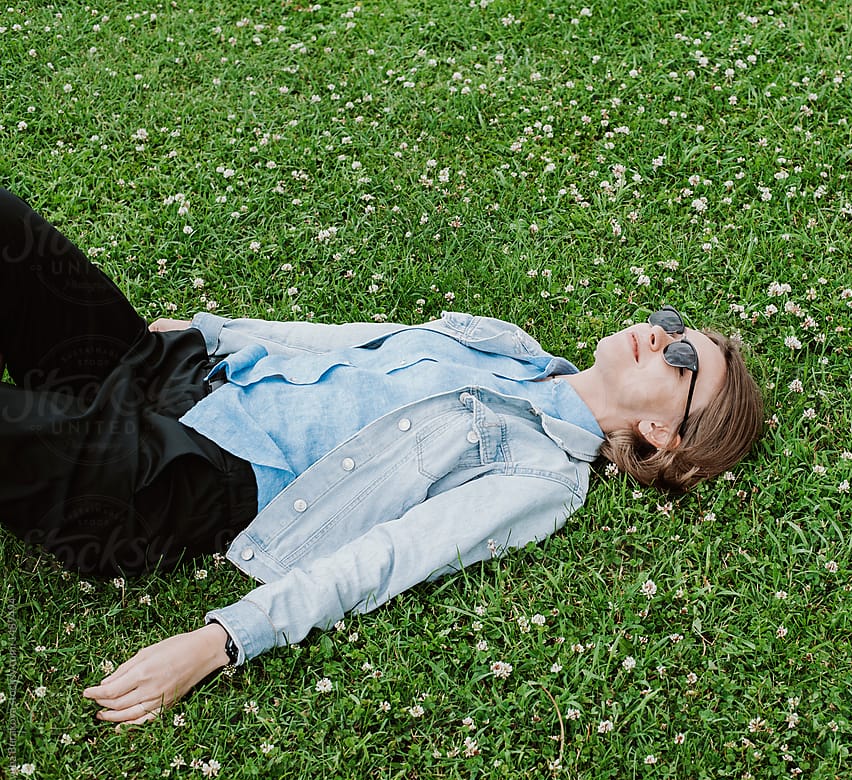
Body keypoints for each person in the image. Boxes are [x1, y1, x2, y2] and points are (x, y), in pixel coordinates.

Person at [0, 188, 763, 725]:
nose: (665, 335)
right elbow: (349, 343)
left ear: (664, 436)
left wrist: (218, 642)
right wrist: (217, 330)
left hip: (176, 473)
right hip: (181, 373)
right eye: (675, 325)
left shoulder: (543, 476)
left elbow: (392, 557)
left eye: (685, 359)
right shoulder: (514, 346)